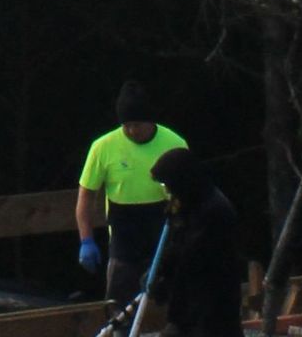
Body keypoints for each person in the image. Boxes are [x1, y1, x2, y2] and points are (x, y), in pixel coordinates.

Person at [78, 82, 189, 303]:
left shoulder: (175, 144)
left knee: (171, 300)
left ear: (150, 121)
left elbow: (190, 194)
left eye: (137, 124)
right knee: (118, 303)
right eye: (126, 125)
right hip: (123, 235)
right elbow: (86, 196)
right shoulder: (103, 147)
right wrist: (86, 240)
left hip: (163, 230)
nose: (131, 131)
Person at [148, 146, 241, 337]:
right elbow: (177, 245)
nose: (168, 192)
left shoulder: (214, 211)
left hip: (212, 309)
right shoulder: (189, 205)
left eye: (168, 185)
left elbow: (192, 257)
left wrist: (166, 275)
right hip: (188, 308)